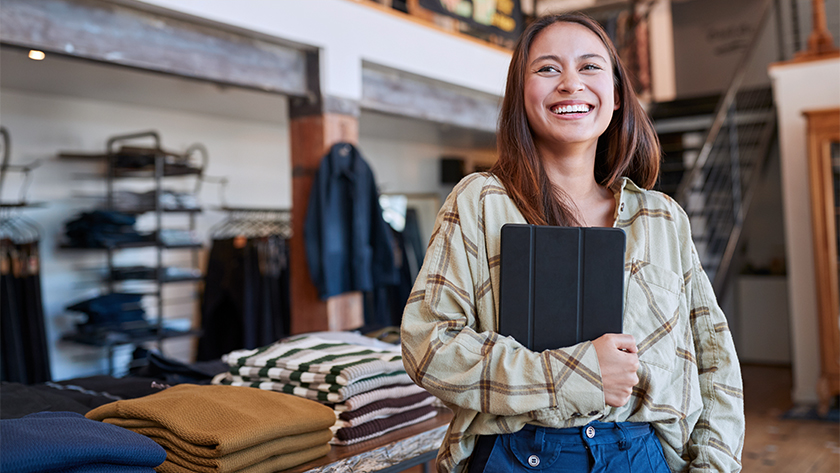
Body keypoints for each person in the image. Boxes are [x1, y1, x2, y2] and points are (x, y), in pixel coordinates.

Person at [400, 12, 744, 473]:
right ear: (520, 96)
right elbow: (428, 345)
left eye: (589, 67)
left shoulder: (662, 218)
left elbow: (715, 360)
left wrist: (715, 465)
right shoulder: (480, 203)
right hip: (518, 454)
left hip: (643, 455)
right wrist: (577, 373)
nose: (570, 83)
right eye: (547, 69)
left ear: (617, 94)